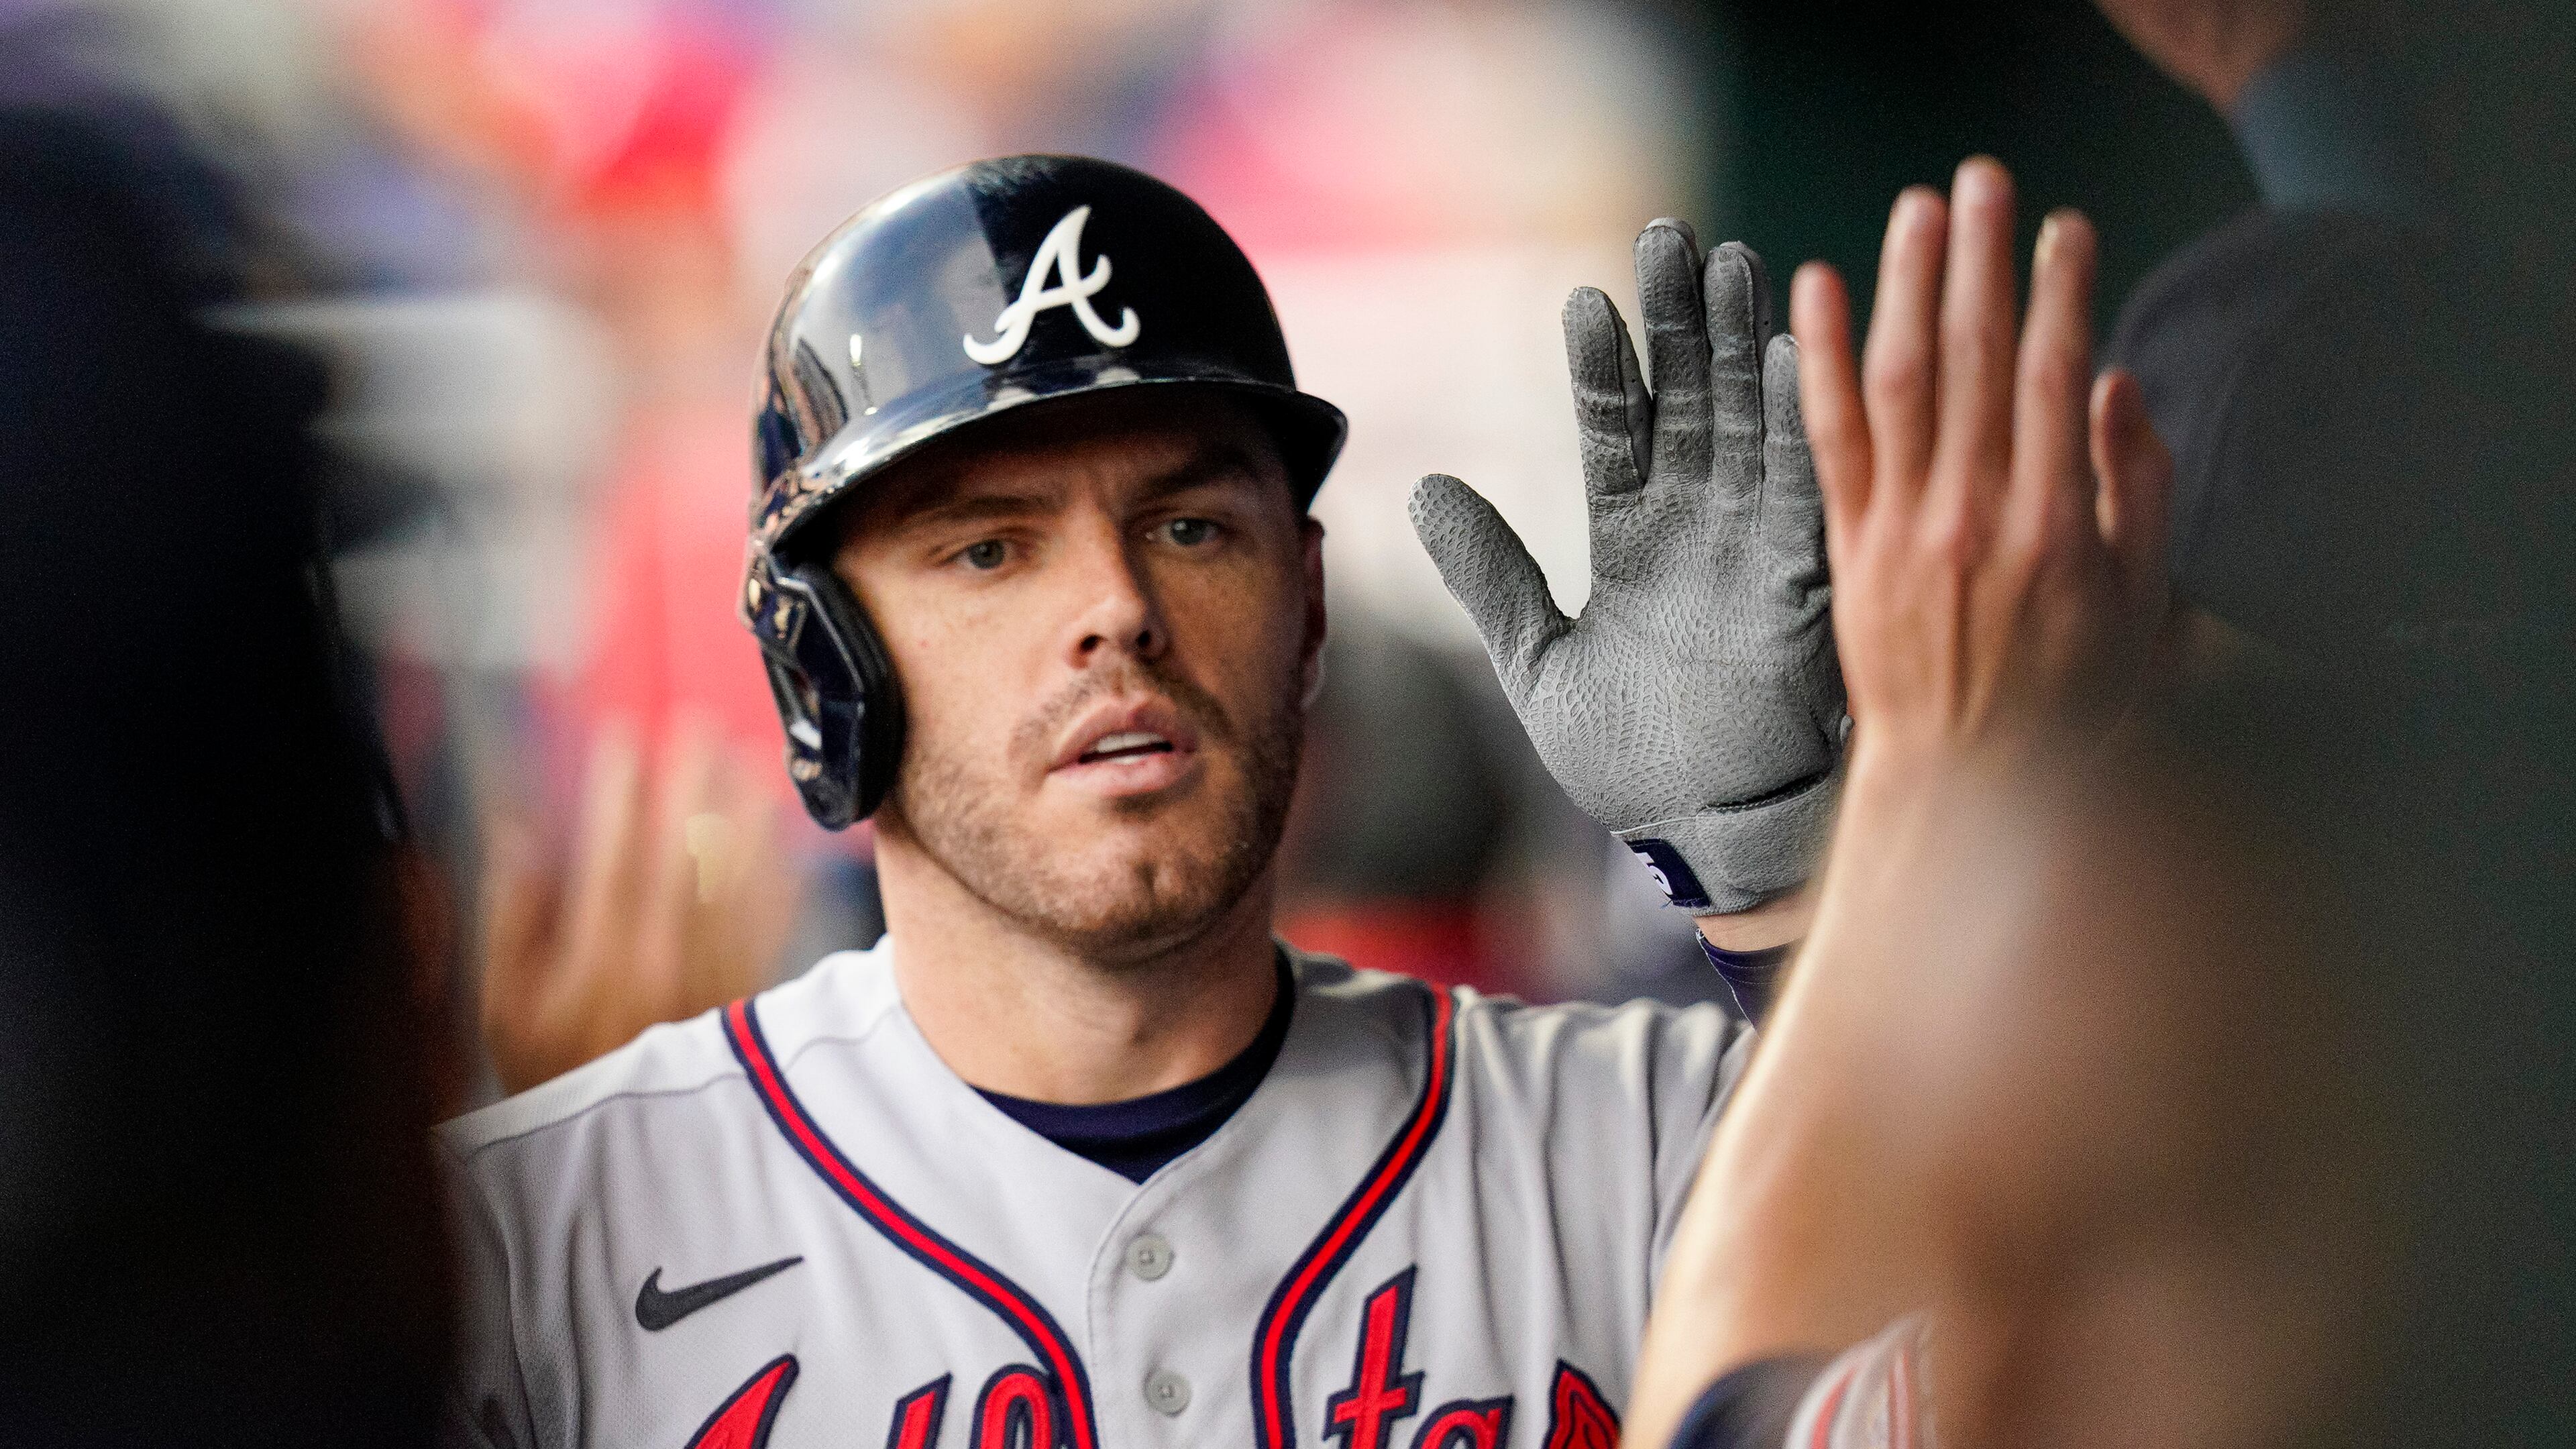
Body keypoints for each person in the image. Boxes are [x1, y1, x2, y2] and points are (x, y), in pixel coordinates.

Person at [436, 156, 1764, 1449]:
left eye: (1189, 528)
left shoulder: (1651, 1143)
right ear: (822, 664)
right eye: (990, 549)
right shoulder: (523, 1238)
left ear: (1307, 610)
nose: (1118, 612)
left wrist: (1788, 888)